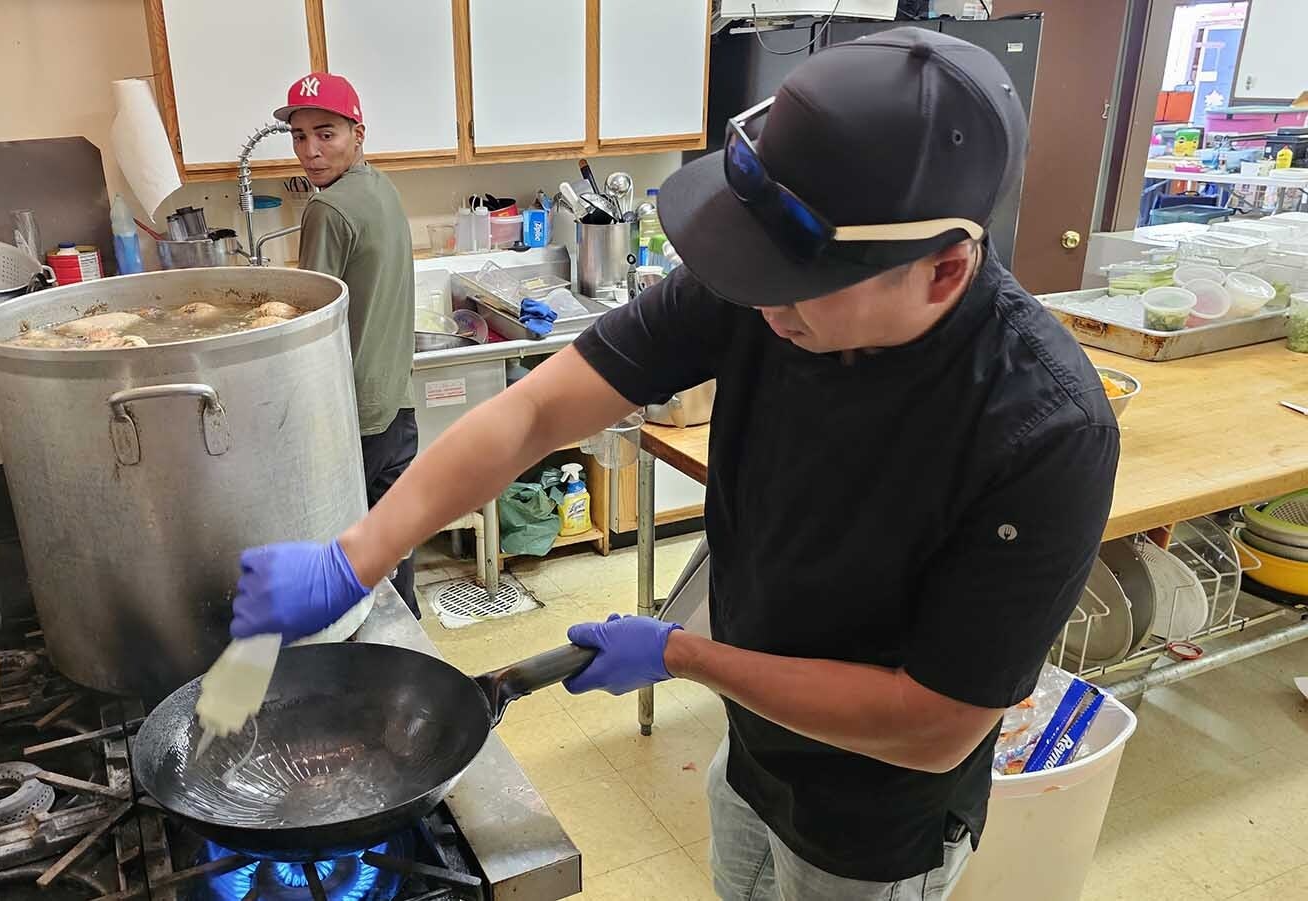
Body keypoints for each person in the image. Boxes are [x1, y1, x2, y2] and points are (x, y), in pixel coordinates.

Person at [233, 29, 1118, 900]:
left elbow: (931, 725)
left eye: (798, 292)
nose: (766, 308)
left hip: (875, 821)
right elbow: (540, 407)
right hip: (753, 747)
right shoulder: (770, 279)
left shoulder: (1042, 428)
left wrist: (686, 656)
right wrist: (363, 553)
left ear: (945, 268)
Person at [275, 72, 420, 615]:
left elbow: (308, 325)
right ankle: (407, 646)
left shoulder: (328, 210)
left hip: (351, 413)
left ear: (357, 132)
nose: (309, 151)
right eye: (299, 136)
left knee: (345, 557)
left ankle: (354, 660)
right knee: (392, 538)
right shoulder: (380, 187)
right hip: (394, 401)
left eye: (325, 133)